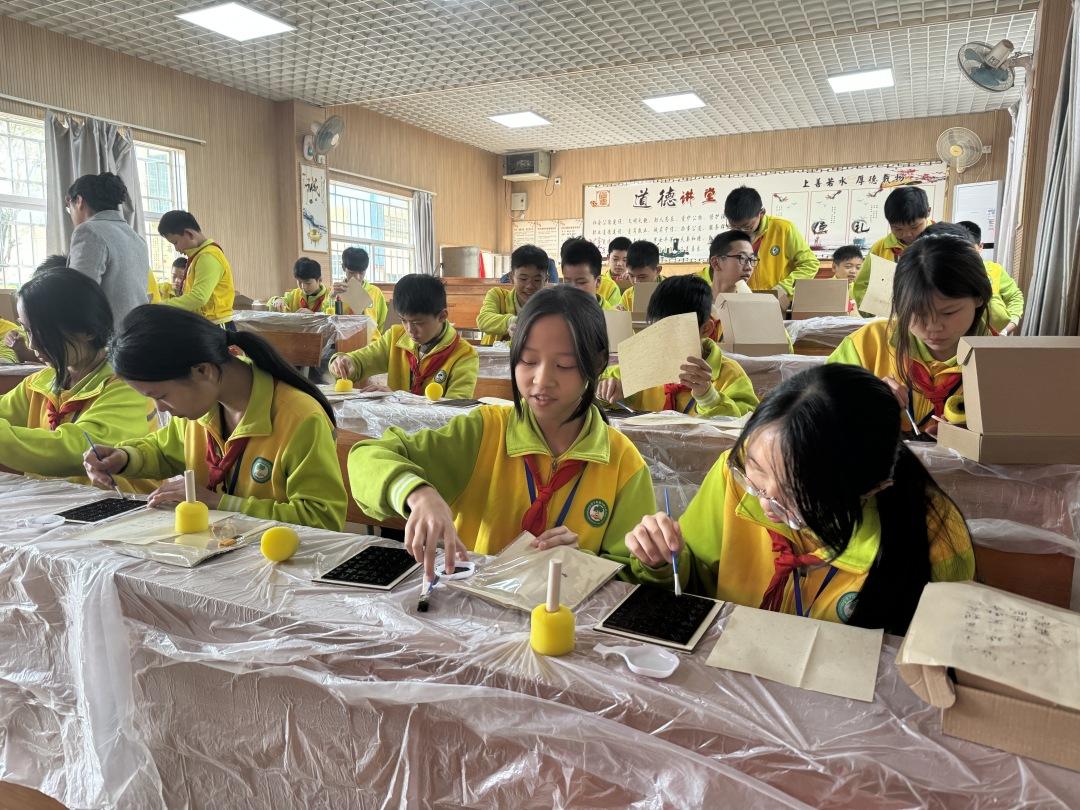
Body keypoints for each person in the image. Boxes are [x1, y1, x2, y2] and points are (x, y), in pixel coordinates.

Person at [625, 363, 975, 635]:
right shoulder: (735, 472)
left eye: (795, 499)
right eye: (756, 477)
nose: (764, 505)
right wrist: (662, 562)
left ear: (871, 489)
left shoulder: (932, 539)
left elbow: (930, 669)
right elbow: (693, 579)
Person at [348, 285, 659, 581]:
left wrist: (586, 564)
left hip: (570, 615)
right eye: (528, 360)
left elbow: (636, 574)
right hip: (473, 610)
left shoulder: (623, 463)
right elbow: (367, 457)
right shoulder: (485, 431)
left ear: (598, 362)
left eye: (564, 365)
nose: (541, 379)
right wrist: (418, 494)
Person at [82, 305, 347, 531]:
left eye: (160, 395)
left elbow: (323, 519)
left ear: (202, 371)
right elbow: (166, 450)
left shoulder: (299, 417)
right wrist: (125, 457)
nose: (160, 408)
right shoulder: (200, 410)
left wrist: (221, 504)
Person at [0, 268, 155, 487]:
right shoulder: (40, 383)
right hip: (59, 504)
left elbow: (75, 450)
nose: (32, 344)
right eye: (28, 331)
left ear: (88, 330)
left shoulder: (128, 385)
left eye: (43, 332)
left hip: (121, 504)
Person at [827, 234, 992, 436]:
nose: (933, 327)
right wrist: (864, 400)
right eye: (918, 313)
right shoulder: (868, 343)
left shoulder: (1001, 362)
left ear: (979, 298)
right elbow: (816, 410)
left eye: (948, 313)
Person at [597, 275, 757, 417]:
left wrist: (708, 396)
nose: (664, 342)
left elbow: (748, 424)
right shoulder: (639, 366)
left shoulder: (730, 375)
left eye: (675, 332)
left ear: (706, 329)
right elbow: (592, 389)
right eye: (657, 331)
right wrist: (606, 392)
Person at [329, 274, 478, 397]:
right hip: (395, 424)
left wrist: (399, 399)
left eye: (418, 322)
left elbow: (454, 411)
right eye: (403, 320)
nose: (410, 330)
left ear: (442, 316)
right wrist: (345, 363)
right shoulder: (395, 337)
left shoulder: (464, 355)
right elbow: (361, 361)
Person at [66, 172, 150, 323]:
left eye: (69, 208)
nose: (70, 215)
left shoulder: (89, 231)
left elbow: (78, 295)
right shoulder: (137, 238)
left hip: (108, 334)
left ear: (79, 201)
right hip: (136, 331)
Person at [723, 186, 819, 298]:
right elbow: (716, 270)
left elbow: (810, 264)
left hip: (780, 300)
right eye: (733, 226)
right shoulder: (729, 238)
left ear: (761, 213)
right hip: (746, 301)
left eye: (747, 227)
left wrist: (784, 288)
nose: (740, 232)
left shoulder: (783, 229)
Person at [852, 186, 932, 307]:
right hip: (889, 315)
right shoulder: (880, 248)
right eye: (898, 229)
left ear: (928, 212)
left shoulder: (944, 241)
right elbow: (862, 286)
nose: (907, 234)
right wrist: (872, 309)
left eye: (914, 227)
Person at [157, 211, 236, 328]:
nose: (176, 249)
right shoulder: (198, 257)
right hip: (206, 324)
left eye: (175, 242)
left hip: (217, 325)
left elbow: (199, 297)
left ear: (189, 234)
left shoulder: (208, 256)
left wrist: (160, 307)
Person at [955, 220, 1024, 334]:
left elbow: (1015, 297)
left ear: (980, 247)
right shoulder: (947, 274)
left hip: (995, 337)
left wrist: (1008, 327)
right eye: (958, 250)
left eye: (969, 250)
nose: (964, 256)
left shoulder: (994, 270)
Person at [476, 244, 548, 345]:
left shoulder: (550, 305)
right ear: (511, 277)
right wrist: (512, 321)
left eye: (537, 280)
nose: (530, 286)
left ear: (546, 280)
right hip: (494, 352)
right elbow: (483, 320)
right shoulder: (498, 296)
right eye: (523, 279)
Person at [333, 247, 389, 329]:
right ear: (343, 268)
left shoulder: (375, 292)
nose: (357, 277)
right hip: (343, 336)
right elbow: (328, 320)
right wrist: (333, 297)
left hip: (371, 336)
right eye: (352, 273)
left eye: (361, 273)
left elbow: (384, 323)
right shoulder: (335, 292)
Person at [561, 238, 621, 310]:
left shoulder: (611, 314)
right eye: (567, 282)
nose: (573, 289)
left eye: (581, 282)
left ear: (598, 282)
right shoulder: (558, 312)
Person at [269, 258, 333, 313]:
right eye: (299, 282)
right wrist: (277, 300)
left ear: (319, 280)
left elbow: (333, 317)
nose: (303, 287)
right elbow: (272, 303)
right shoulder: (295, 294)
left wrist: (314, 315)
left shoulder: (331, 295)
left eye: (308, 283)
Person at [620, 240, 663, 313]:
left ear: (658, 270)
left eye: (642, 277)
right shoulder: (627, 295)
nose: (636, 281)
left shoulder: (671, 291)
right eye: (631, 276)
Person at [832, 245, 864, 313]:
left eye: (858, 268)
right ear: (834, 267)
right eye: (848, 266)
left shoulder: (860, 290)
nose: (853, 271)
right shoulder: (824, 287)